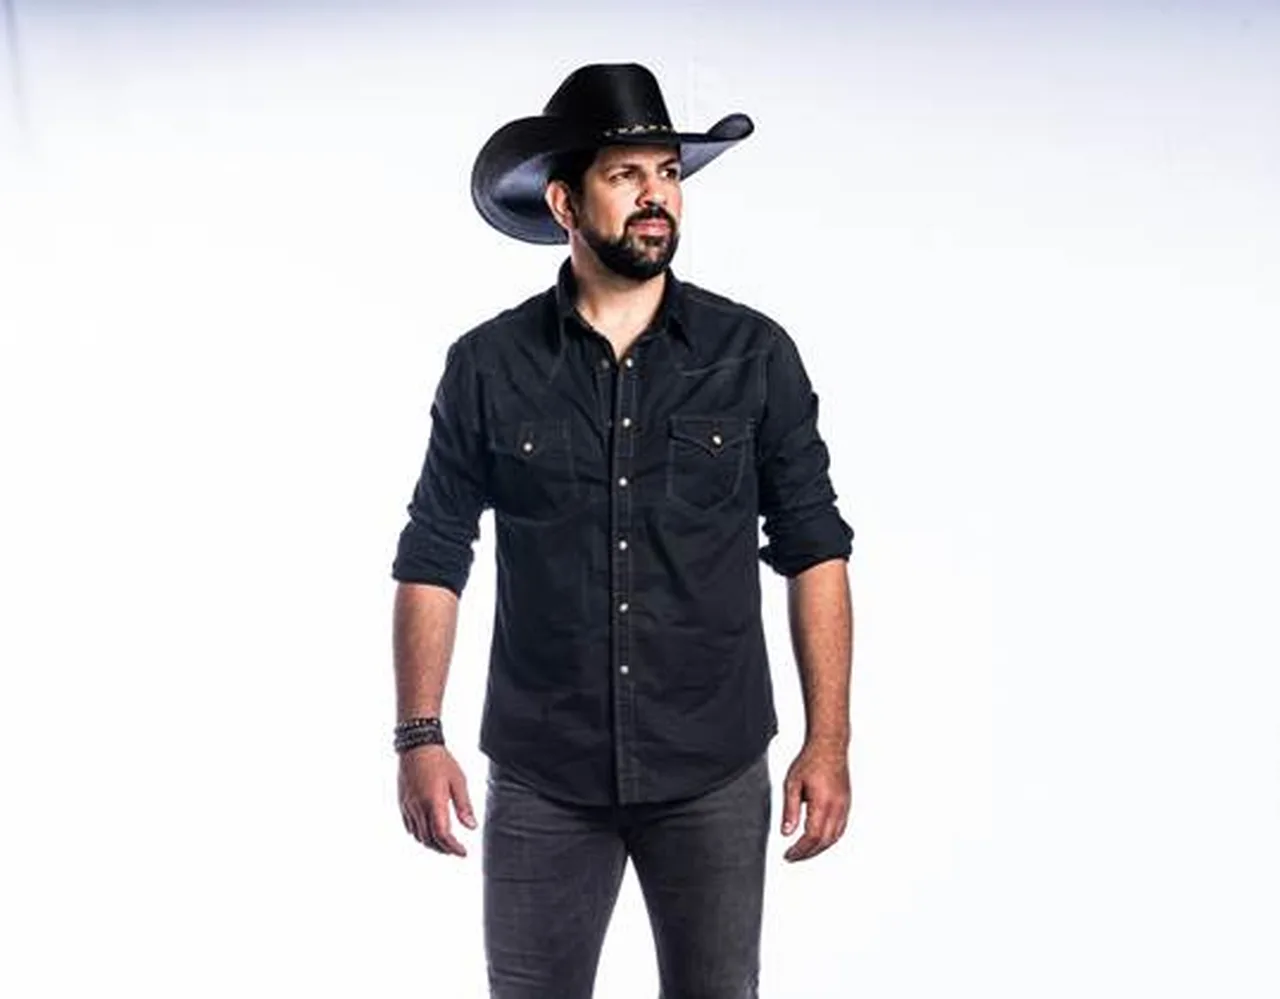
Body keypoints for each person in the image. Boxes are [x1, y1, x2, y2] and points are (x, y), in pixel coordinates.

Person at [390, 62, 855, 999]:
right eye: (626, 174)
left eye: (669, 173)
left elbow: (815, 549)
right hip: (543, 772)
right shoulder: (487, 366)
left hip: (713, 766)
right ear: (565, 202)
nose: (656, 196)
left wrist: (829, 740)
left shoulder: (753, 355)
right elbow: (434, 552)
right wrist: (418, 734)